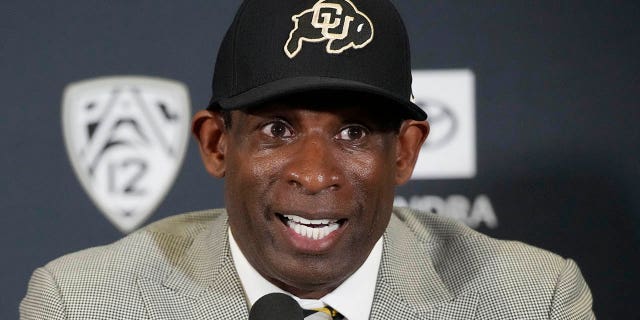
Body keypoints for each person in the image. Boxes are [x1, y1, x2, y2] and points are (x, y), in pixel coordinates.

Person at [21, 0, 595, 319]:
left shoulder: (534, 300)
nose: (315, 174)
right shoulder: (82, 303)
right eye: (277, 129)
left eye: (353, 131)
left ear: (405, 151)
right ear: (217, 144)